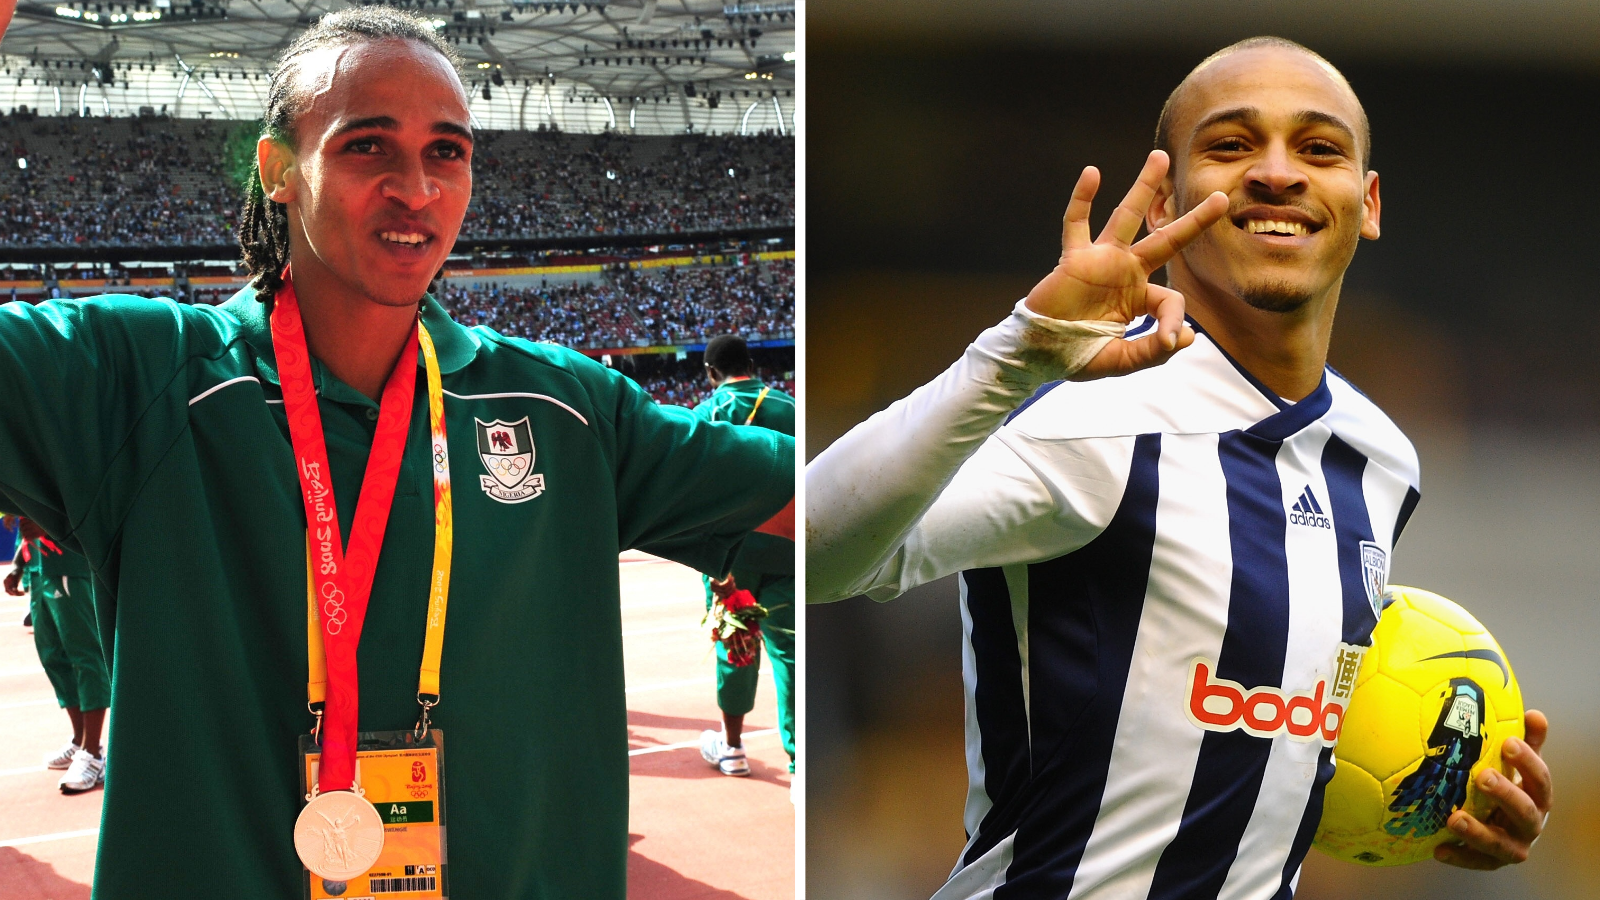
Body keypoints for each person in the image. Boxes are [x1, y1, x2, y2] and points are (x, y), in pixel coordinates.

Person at [0, 8, 792, 899]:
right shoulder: (133, 380)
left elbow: (813, 505)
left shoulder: (564, 406)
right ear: (279, 173)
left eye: (447, 152)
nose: (415, 188)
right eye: (367, 147)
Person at [807, 37, 1551, 898]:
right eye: (1232, 146)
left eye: (1319, 149)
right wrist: (1015, 355)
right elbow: (812, 556)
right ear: (1166, 201)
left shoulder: (1378, 455)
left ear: (1368, 201)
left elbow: (1272, 745)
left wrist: (1436, 800)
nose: (1279, 173)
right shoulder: (1093, 420)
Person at [692, 335, 797, 776]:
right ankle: (800, 762)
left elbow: (693, 494)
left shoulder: (704, 415)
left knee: (736, 644)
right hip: (789, 549)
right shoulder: (789, 407)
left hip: (730, 554)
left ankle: (732, 749)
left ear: (711, 374)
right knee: (791, 655)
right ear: (750, 364)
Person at [2, 513, 109, 793]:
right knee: (53, 657)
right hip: (40, 569)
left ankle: (94, 753)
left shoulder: (71, 467)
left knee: (85, 656)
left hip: (69, 566)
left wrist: (50, 523)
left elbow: (87, 506)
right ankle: (79, 740)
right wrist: (19, 563)